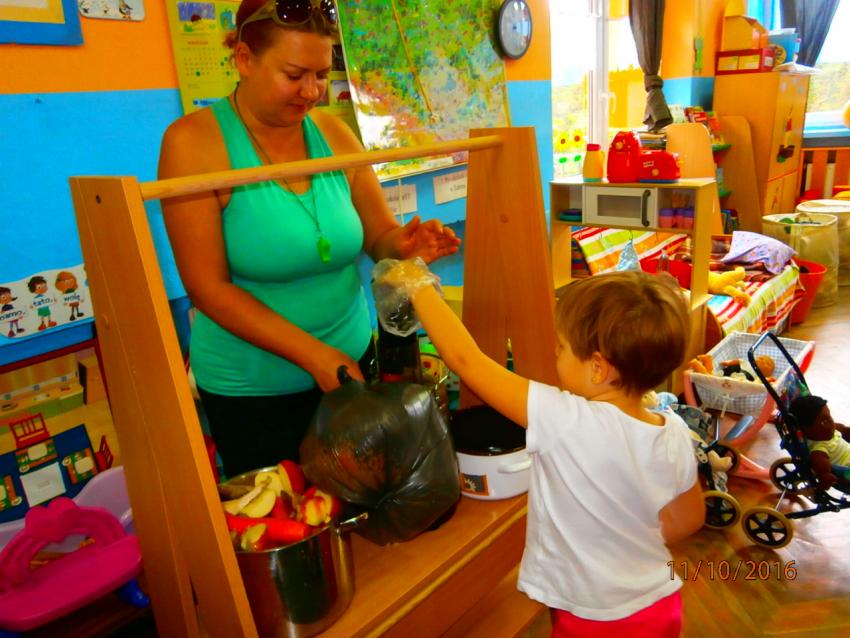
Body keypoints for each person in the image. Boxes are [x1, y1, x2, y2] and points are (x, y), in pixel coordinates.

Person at [157, 0, 460, 479]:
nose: (313, 91)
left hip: (349, 363)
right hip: (255, 392)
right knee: (286, 508)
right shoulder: (193, 144)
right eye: (295, 74)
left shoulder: (333, 135)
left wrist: (407, 244)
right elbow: (207, 288)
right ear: (244, 59)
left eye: (321, 74)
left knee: (362, 498)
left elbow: (380, 237)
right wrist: (314, 355)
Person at [375, 262, 704, 637]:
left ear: (598, 368)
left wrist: (416, 284)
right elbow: (688, 518)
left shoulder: (566, 420)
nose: (554, 352)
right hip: (659, 605)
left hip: (594, 619)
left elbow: (467, 361)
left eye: (561, 346)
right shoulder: (675, 432)